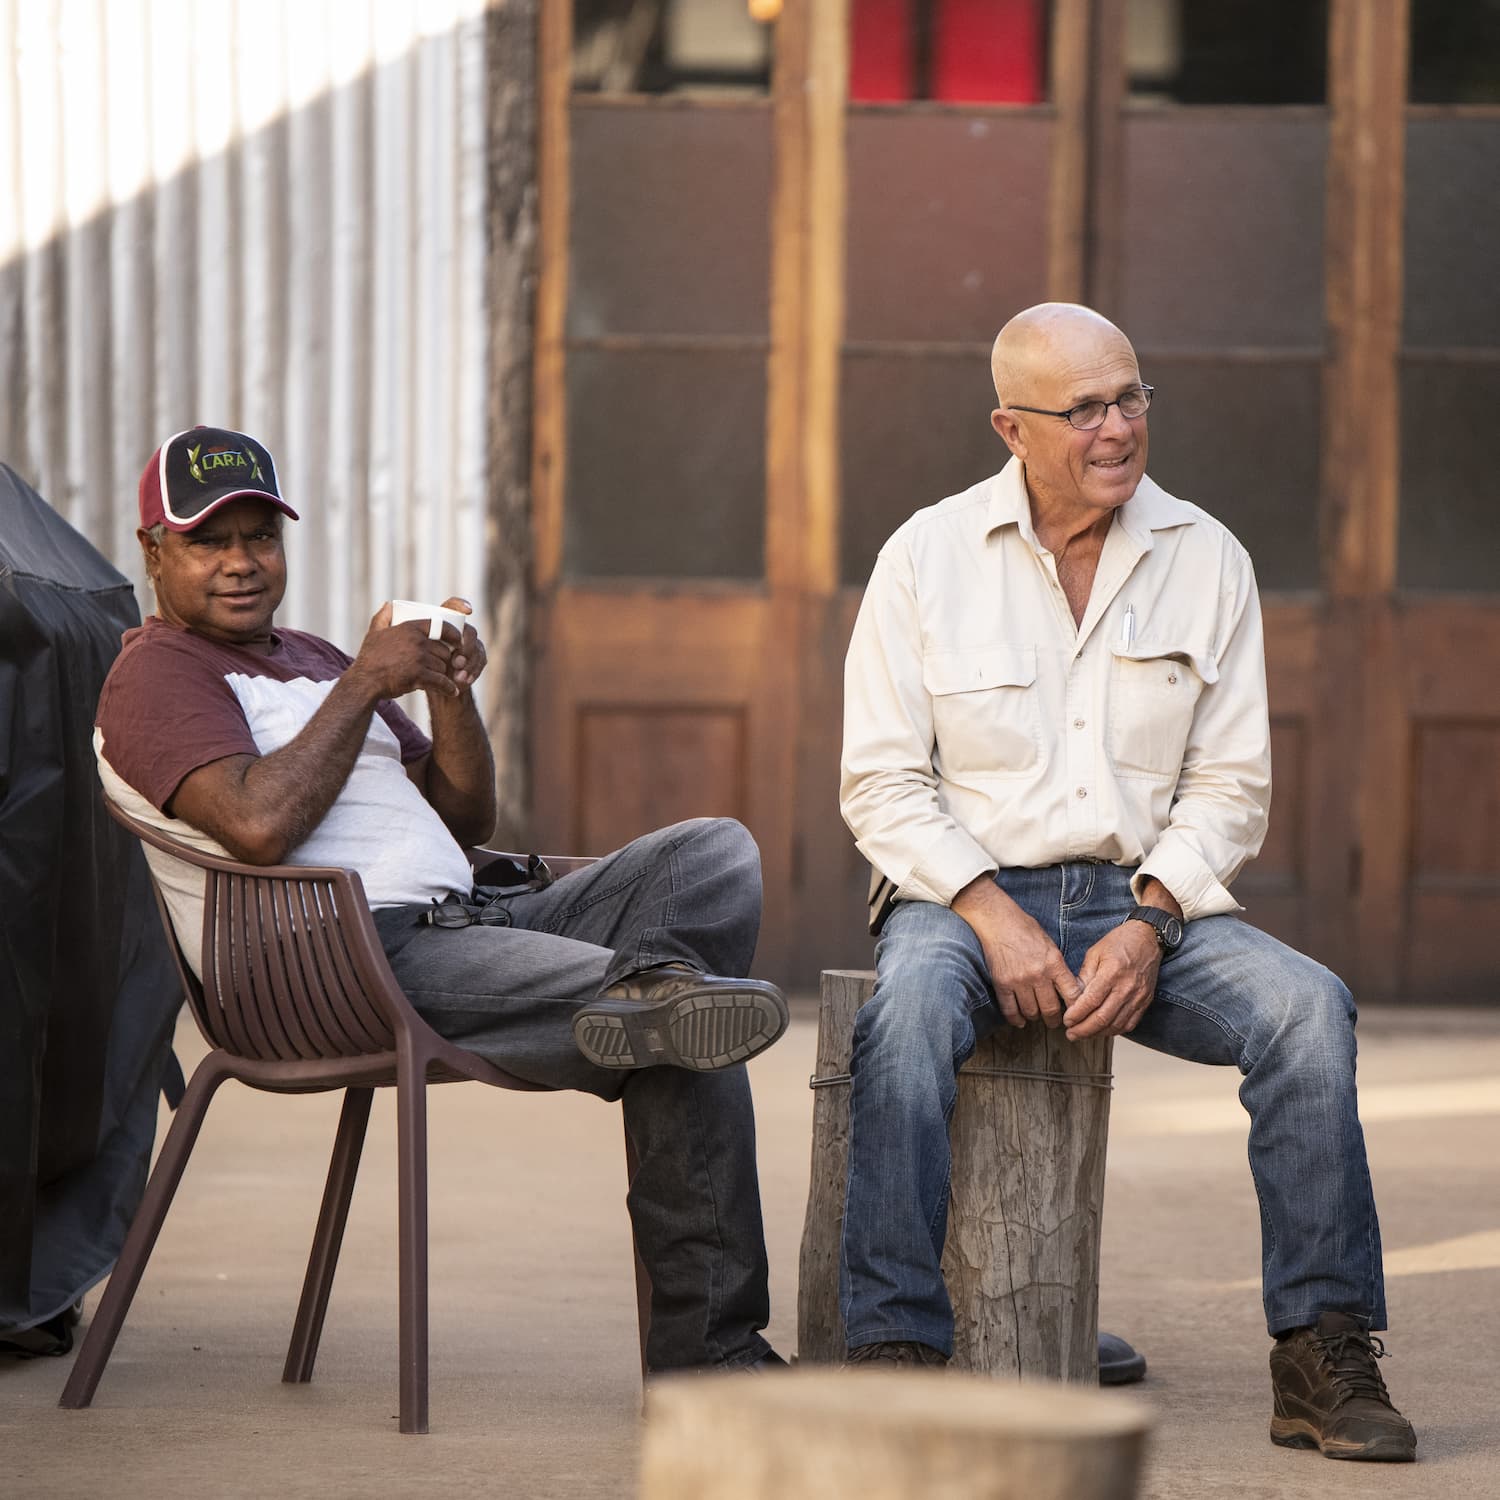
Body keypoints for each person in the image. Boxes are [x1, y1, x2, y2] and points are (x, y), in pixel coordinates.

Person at [838, 304, 1416, 1462]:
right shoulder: (926, 557)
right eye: (1086, 408)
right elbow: (882, 784)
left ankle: (1322, 1347)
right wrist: (990, 916)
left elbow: (1232, 785)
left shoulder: (1207, 557)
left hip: (1144, 897)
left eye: (1132, 398)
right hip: (965, 897)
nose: (1118, 428)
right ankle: (895, 1353)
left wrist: (1153, 918)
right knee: (899, 1020)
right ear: (1012, 426)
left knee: (1309, 1011)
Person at [94, 425, 789, 1376]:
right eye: (211, 541)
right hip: (332, 962)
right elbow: (256, 825)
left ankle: (645, 1000)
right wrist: (370, 677)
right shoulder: (157, 674)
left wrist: (447, 694)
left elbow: (458, 819)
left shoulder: (311, 655)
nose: (242, 564)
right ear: (154, 552)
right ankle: (710, 1359)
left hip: (467, 920)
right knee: (688, 1024)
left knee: (713, 855)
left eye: (260, 537)